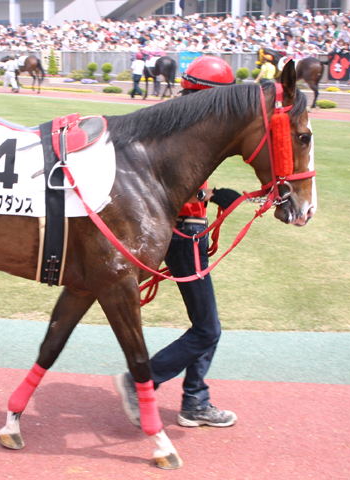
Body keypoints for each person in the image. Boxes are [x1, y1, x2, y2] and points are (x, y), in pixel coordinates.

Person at [114, 55, 242, 429]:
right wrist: (208, 197)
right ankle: (143, 381)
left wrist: (212, 194)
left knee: (206, 322)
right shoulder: (190, 126)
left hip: (180, 228)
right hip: (185, 232)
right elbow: (169, 184)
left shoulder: (175, 118)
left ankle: (195, 400)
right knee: (207, 328)